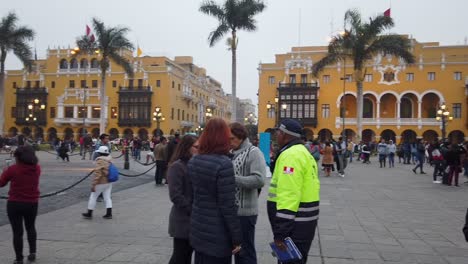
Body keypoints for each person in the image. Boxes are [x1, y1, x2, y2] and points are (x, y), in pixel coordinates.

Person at [189, 118, 242, 264]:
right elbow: (227, 205)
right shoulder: (224, 164)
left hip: (198, 226)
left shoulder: (194, 161)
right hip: (218, 233)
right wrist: (236, 237)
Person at [267, 119, 320, 264]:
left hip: (295, 225)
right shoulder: (302, 152)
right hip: (304, 222)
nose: (276, 135)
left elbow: (289, 195)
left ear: (284, 134)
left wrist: (280, 234)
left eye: (278, 132)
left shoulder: (290, 155)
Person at [229, 122, 266, 264]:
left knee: (245, 252)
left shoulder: (253, 152)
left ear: (241, 137)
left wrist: (232, 179)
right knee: (237, 251)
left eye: (232, 138)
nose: (230, 142)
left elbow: (259, 180)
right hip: (233, 211)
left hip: (246, 212)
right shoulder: (233, 153)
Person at [0, 146, 40, 263]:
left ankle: (19, 259)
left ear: (18, 157)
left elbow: (1, 183)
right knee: (31, 227)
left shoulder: (13, 169)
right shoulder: (36, 168)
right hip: (32, 203)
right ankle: (32, 252)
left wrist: (4, 172)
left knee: (17, 232)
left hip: (15, 204)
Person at [167, 135, 198, 264]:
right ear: (187, 148)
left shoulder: (194, 164)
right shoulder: (177, 166)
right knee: (180, 256)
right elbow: (175, 195)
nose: (199, 149)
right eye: (196, 147)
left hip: (193, 219)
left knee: (186, 255)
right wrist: (192, 210)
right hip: (182, 219)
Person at [82, 146, 113, 219]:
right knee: (107, 198)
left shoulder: (100, 161)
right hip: (109, 181)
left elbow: (98, 174)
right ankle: (109, 214)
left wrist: (94, 184)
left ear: (99, 153)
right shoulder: (109, 159)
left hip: (101, 182)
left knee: (93, 197)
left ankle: (89, 213)